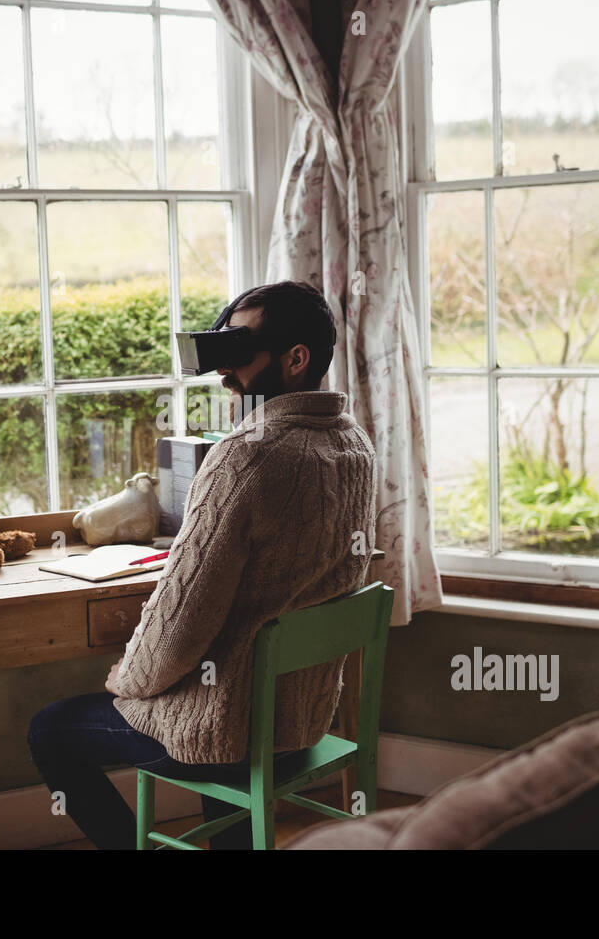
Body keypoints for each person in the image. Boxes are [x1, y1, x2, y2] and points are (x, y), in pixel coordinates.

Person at [27, 280, 378, 849]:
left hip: (229, 733)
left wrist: (130, 684)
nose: (225, 373)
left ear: (296, 360)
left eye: (240, 355)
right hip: (301, 721)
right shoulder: (353, 445)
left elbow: (180, 624)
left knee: (50, 729)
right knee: (224, 688)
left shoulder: (246, 455)